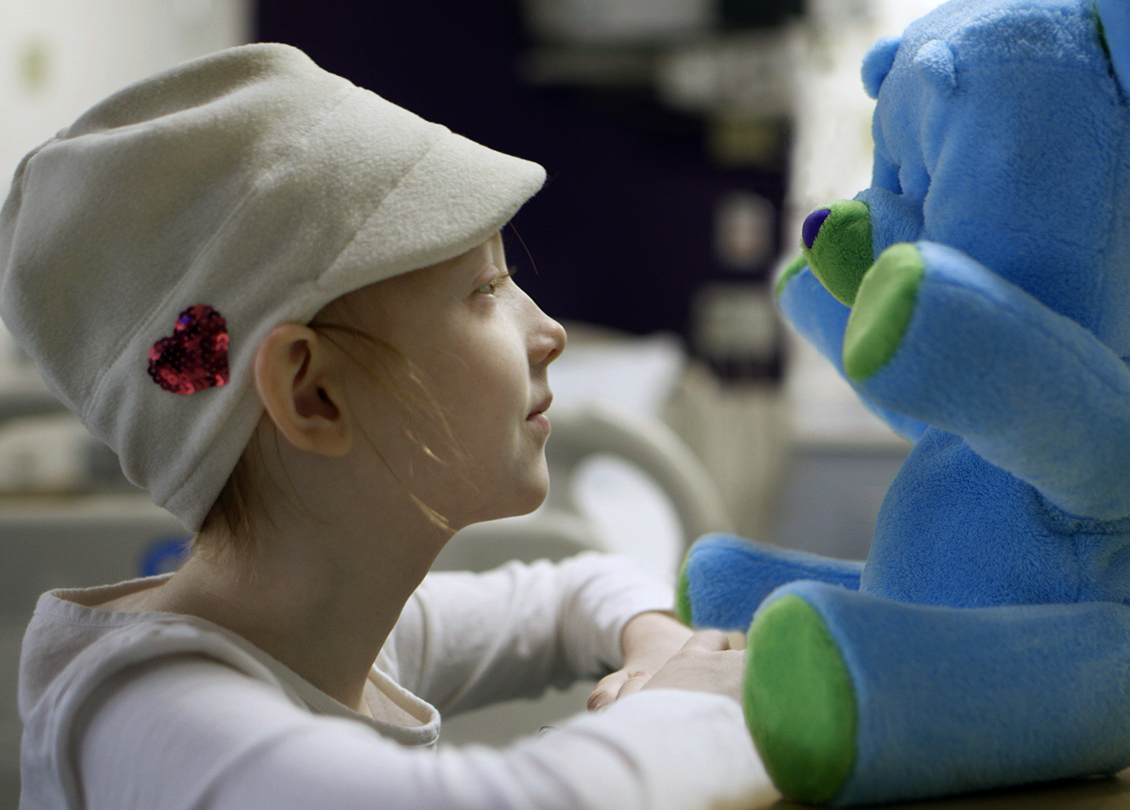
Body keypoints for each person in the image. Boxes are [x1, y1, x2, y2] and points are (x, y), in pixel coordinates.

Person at [0, 44, 778, 810]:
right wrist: (691, 704)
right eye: (486, 288)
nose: (550, 333)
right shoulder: (148, 714)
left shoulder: (336, 633)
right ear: (313, 394)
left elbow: (574, 588)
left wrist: (662, 652)